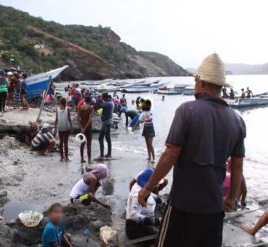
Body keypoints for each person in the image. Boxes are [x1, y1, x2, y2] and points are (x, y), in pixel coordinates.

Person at [138, 53, 246, 247]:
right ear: (221, 87)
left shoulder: (187, 110)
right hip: (214, 207)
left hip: (183, 205)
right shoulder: (238, 120)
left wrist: (148, 188)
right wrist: (232, 198)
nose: (195, 85)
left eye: (196, 81)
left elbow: (170, 155)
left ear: (202, 82)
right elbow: (237, 167)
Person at [126, 168, 162, 240]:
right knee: (160, 235)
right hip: (135, 228)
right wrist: (156, 221)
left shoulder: (142, 188)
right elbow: (134, 215)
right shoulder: (137, 194)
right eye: (156, 183)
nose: (158, 185)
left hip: (144, 218)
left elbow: (151, 195)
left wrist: (161, 201)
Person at [94, 93, 114, 160]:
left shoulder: (107, 103)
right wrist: (100, 99)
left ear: (103, 97)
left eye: (101, 96)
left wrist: (98, 99)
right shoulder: (109, 102)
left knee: (100, 138)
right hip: (109, 121)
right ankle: (109, 154)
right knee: (108, 138)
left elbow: (97, 106)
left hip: (106, 122)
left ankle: (102, 155)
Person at [55, 98, 72, 162]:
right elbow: (69, 119)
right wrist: (71, 127)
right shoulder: (67, 109)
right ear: (65, 103)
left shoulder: (57, 109)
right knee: (65, 143)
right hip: (66, 127)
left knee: (61, 142)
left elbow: (56, 119)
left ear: (60, 103)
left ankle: (62, 157)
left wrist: (55, 127)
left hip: (60, 127)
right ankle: (66, 157)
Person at [78, 96, 94, 164]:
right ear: (90, 101)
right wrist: (85, 128)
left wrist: (81, 128)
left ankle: (82, 159)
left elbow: (77, 118)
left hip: (82, 127)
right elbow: (89, 120)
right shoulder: (91, 108)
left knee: (82, 143)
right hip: (88, 128)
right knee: (89, 144)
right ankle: (89, 161)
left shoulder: (81, 107)